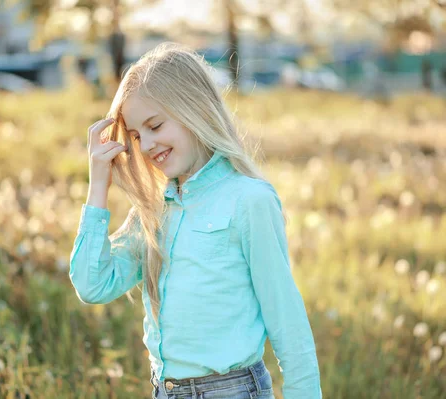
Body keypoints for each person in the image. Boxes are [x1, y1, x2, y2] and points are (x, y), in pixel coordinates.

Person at [69, 42, 322, 399]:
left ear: (195, 109)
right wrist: (98, 184)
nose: (144, 146)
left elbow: (288, 323)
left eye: (155, 126)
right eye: (137, 135)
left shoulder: (248, 201)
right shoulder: (154, 210)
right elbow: (92, 285)